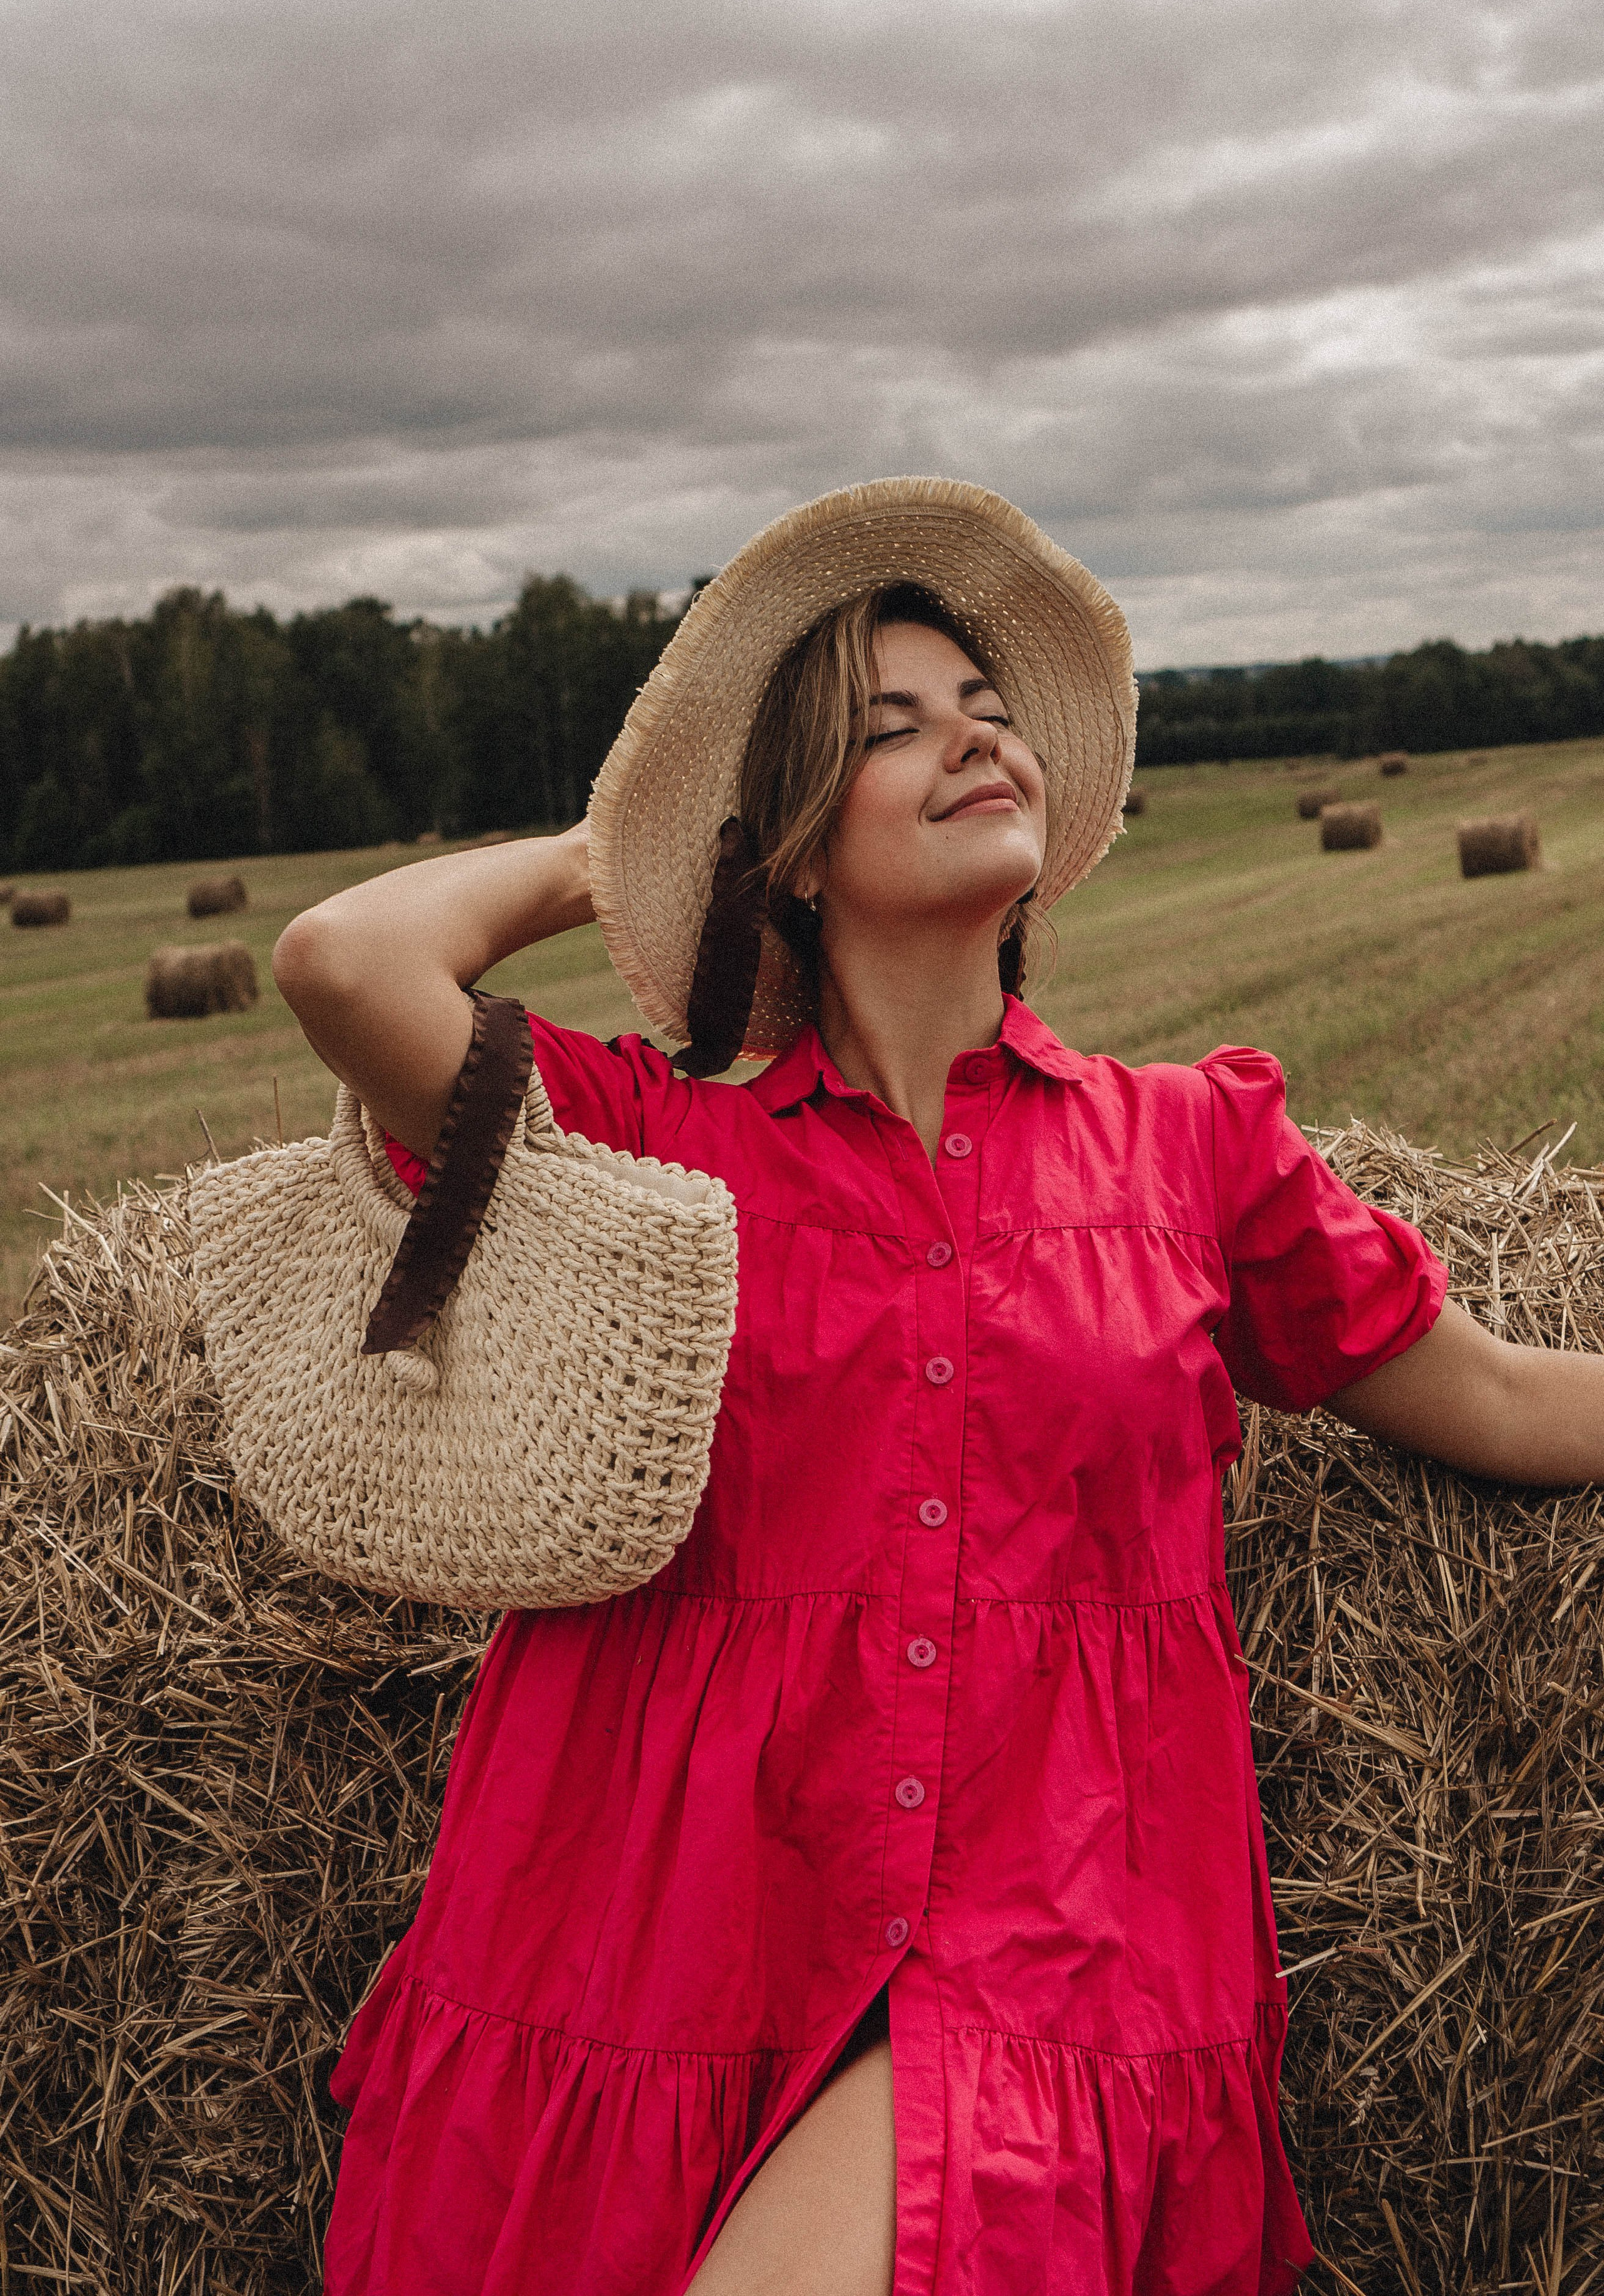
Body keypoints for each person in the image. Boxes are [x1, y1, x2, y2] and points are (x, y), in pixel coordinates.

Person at [273, 480, 1604, 2296]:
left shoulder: (1194, 1148)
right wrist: (635, 852)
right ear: (802, 846)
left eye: (988, 711)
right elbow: (345, 965)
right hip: (665, 1923)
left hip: (1053, 1934)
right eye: (890, 731)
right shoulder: (658, 1156)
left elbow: (1509, 1401)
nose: (975, 737)